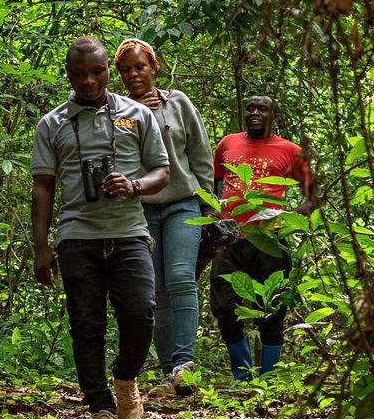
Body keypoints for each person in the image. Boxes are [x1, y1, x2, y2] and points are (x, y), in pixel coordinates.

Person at [32, 36, 172, 419]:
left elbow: (161, 170)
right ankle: (100, 404)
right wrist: (41, 247)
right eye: (79, 74)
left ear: (109, 70)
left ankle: (125, 380)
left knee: (141, 313)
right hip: (77, 236)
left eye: (97, 72)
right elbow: (43, 186)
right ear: (68, 73)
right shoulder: (52, 123)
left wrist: (134, 185)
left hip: (129, 233)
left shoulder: (135, 115)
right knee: (86, 324)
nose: (89, 81)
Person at [112, 39, 212, 397]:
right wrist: (136, 110)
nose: (133, 74)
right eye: (126, 70)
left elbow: (200, 153)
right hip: (141, 208)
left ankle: (185, 364)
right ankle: (170, 374)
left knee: (181, 277)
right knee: (154, 292)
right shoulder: (117, 111)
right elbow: (112, 145)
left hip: (182, 203)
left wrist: (209, 203)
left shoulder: (178, 102)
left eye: (140, 67)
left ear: (153, 67)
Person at [207, 95, 318, 381]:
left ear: (274, 116)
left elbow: (314, 196)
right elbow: (216, 180)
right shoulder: (227, 143)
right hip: (230, 241)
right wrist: (216, 212)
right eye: (250, 108)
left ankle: (268, 380)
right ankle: (242, 375)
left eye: (262, 109)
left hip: (270, 242)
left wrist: (287, 219)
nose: (255, 113)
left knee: (272, 310)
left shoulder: (291, 151)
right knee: (223, 306)